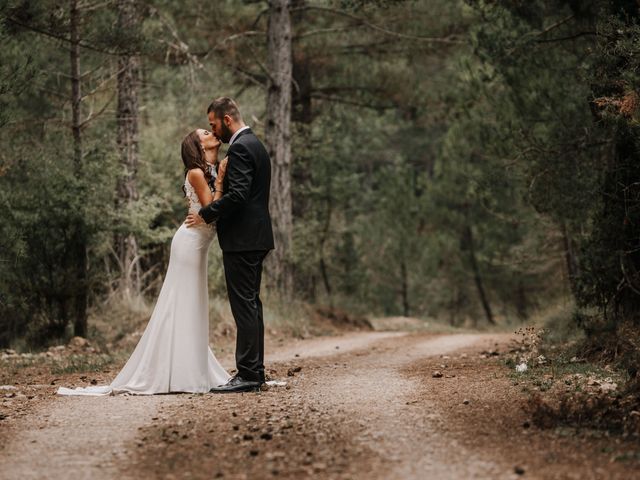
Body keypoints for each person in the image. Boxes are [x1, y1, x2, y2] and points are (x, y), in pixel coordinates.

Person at [57, 129, 230, 395]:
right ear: (198, 145)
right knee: (182, 304)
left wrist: (215, 186)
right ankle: (175, 372)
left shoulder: (210, 168)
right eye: (205, 132)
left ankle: (187, 366)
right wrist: (219, 183)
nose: (212, 133)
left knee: (192, 305)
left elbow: (210, 212)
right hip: (189, 245)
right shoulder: (197, 172)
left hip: (199, 245)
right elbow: (209, 208)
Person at [185, 97, 274, 393]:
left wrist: (205, 213)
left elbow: (238, 196)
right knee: (252, 304)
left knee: (244, 306)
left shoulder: (240, 147)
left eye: (213, 124)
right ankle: (255, 371)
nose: (213, 130)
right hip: (254, 237)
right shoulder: (255, 143)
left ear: (226, 120)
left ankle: (248, 373)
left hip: (244, 239)